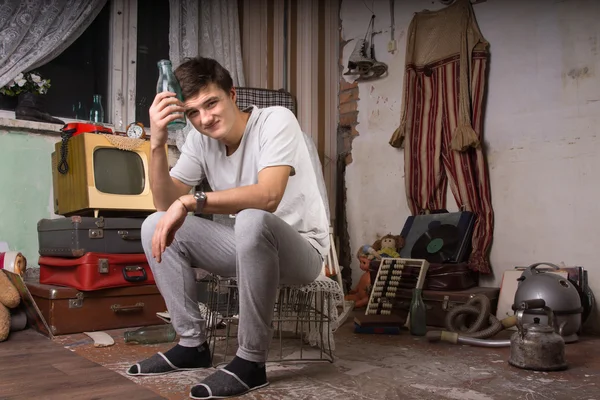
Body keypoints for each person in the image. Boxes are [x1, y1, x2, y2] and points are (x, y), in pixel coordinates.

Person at [126, 56, 330, 400]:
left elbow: (268, 196)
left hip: (301, 251)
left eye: (211, 103)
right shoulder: (199, 141)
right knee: (153, 224)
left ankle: (251, 361)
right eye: (193, 112)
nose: (204, 119)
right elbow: (164, 203)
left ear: (232, 95)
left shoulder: (276, 120)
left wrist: (191, 201)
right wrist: (157, 143)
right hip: (249, 248)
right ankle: (192, 345)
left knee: (251, 217)